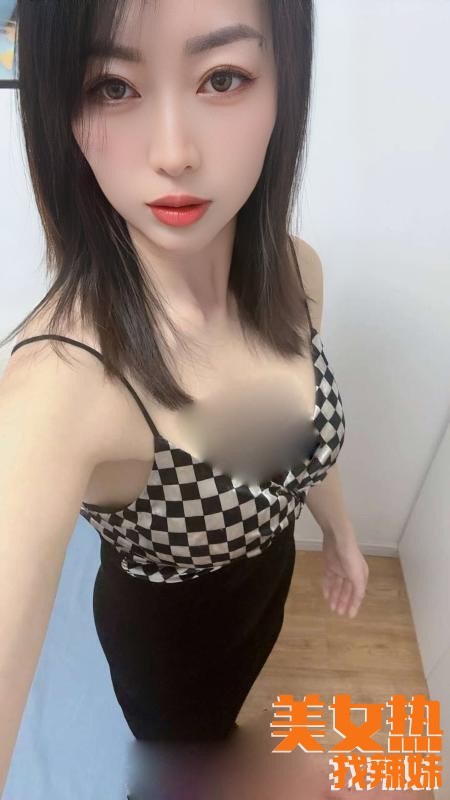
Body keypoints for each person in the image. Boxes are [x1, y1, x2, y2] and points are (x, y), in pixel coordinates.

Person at [0, 0, 369, 794]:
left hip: (265, 585)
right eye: (112, 87)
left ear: (285, 84)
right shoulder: (63, 385)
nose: (173, 154)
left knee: (223, 724)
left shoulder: (296, 273)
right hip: (166, 641)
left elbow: (296, 439)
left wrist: (341, 535)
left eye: (222, 78)